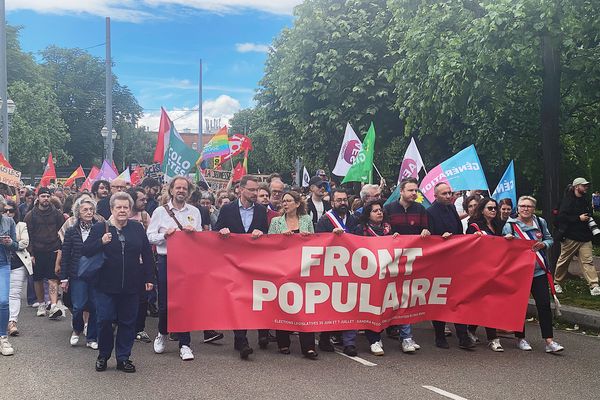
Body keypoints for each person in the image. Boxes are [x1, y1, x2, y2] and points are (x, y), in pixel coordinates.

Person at [148, 176, 222, 360]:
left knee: (184, 303)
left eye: (184, 188)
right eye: (178, 187)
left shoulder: (195, 211)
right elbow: (149, 236)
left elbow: (199, 239)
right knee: (165, 303)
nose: (181, 191)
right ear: (171, 190)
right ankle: (162, 333)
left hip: (186, 262)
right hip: (166, 259)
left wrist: (193, 234)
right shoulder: (160, 211)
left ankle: (185, 343)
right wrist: (165, 235)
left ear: (188, 192)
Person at [83, 192, 155, 373]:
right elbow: (86, 250)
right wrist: (101, 241)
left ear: (130, 210)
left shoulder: (137, 228)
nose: (122, 210)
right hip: (105, 285)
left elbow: (147, 254)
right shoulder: (100, 228)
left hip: (132, 285)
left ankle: (123, 358)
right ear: (111, 209)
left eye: (126, 207)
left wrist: (149, 278)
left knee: (127, 322)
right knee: (105, 320)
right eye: (119, 207)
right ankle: (103, 355)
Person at [216, 175, 269, 359]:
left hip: (254, 263)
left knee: (252, 299)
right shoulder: (227, 209)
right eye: (252, 190)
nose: (256, 193)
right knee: (238, 301)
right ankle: (242, 339)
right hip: (234, 263)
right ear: (241, 189)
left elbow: (268, 236)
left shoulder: (262, 211)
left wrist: (261, 233)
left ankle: (253, 336)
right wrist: (221, 232)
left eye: (257, 190)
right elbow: (216, 232)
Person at [503, 196, 564, 353]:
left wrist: (544, 244)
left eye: (529, 206)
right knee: (520, 306)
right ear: (518, 207)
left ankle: (549, 341)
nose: (525, 209)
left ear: (533, 208)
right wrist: (507, 240)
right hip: (519, 273)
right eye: (522, 206)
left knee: (544, 305)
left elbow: (550, 239)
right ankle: (520, 338)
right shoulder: (510, 225)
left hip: (538, 271)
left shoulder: (540, 223)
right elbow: (503, 247)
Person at [267, 191, 318, 359]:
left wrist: (306, 237)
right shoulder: (276, 222)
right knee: (284, 304)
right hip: (282, 268)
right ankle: (283, 343)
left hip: (303, 269)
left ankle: (308, 346)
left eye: (289, 201)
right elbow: (269, 243)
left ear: (297, 203)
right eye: (283, 201)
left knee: (305, 307)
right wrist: (281, 238)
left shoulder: (307, 220)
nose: (285, 204)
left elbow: (314, 241)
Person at [426, 183, 475, 349]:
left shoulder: (452, 208)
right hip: (439, 262)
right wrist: (441, 238)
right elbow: (429, 239)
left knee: (457, 298)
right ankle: (439, 336)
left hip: (455, 260)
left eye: (450, 193)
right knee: (439, 300)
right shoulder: (430, 212)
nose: (449, 196)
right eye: (445, 194)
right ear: (436, 196)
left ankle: (463, 336)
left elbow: (459, 231)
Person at [382, 177, 428, 351]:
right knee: (390, 296)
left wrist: (426, 232)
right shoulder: (388, 209)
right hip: (392, 260)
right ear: (401, 191)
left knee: (406, 298)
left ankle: (406, 336)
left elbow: (425, 232)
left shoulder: (421, 209)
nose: (414, 193)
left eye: (416, 190)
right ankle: (387, 329)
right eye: (410, 190)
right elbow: (384, 231)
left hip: (411, 261)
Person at [315, 188, 359, 356]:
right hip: (331, 269)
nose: (342, 203)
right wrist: (330, 237)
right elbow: (318, 242)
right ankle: (325, 337)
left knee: (351, 305)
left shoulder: (353, 219)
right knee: (331, 305)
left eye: (344, 200)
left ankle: (349, 342)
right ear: (332, 202)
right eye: (339, 200)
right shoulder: (325, 221)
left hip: (352, 268)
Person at [465, 198, 505, 352]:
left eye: (495, 208)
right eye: (490, 208)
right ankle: (493, 338)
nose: (494, 211)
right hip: (480, 271)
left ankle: (471, 329)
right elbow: (468, 247)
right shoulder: (474, 226)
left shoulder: (499, 225)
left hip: (496, 268)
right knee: (488, 303)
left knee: (485, 302)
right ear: (482, 210)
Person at [59, 198, 99, 350]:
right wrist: (63, 278)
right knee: (78, 306)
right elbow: (66, 255)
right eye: (85, 210)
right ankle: (77, 329)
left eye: (91, 209)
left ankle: (92, 337)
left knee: (95, 306)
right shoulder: (71, 231)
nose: (89, 212)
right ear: (78, 213)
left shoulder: (100, 228)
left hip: (96, 273)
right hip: (77, 274)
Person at [553, 178, 600, 296]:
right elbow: (560, 218)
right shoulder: (566, 200)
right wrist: (578, 218)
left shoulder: (585, 200)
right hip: (570, 237)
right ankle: (557, 283)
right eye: (584, 186)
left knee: (588, 261)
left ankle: (594, 285)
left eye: (586, 186)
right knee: (564, 261)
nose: (586, 187)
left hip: (585, 237)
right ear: (576, 187)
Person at [23, 187, 65, 319]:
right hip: (37, 251)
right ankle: (41, 304)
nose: (45, 198)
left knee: (53, 279)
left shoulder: (57, 214)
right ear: (38, 198)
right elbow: (27, 235)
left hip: (53, 249)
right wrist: (31, 254)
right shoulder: (30, 215)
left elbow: (62, 231)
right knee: (38, 279)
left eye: (47, 196)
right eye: (43, 196)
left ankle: (53, 305)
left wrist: (61, 250)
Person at [6, 200, 32, 337]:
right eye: (5, 210)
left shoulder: (21, 225)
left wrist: (11, 242)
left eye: (11, 210)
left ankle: (12, 322)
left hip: (17, 264)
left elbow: (24, 242)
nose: (8, 213)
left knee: (14, 294)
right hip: (2, 263)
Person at [0, 200, 19, 356]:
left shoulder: (9, 221)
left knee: (4, 301)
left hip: (3, 264)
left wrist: (10, 242)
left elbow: (16, 245)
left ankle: (3, 337)